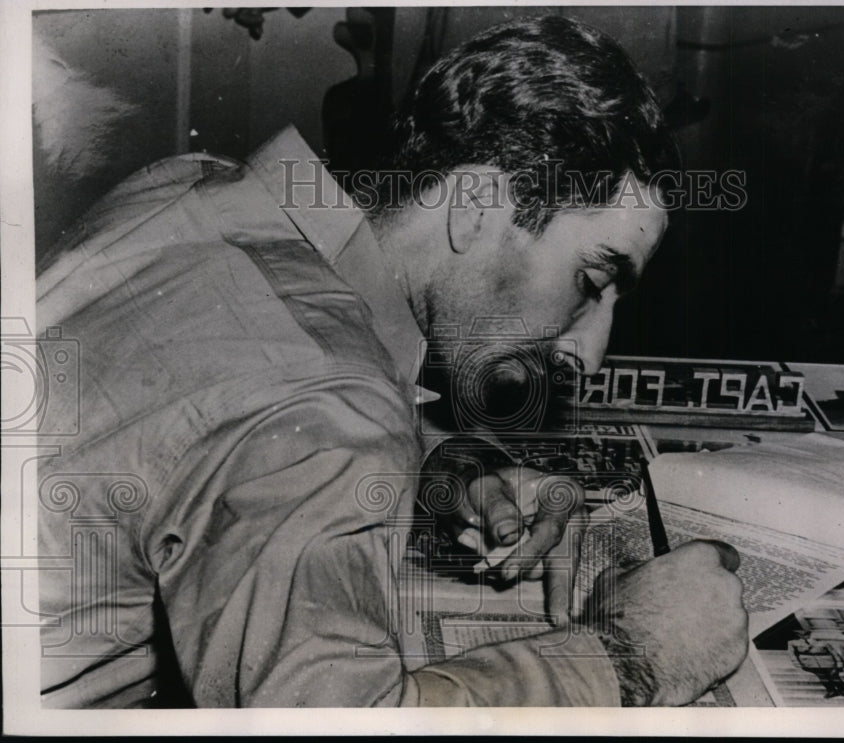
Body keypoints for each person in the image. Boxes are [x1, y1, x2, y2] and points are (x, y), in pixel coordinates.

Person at [35, 16, 748, 708]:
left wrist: (445, 465)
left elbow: (220, 422)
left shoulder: (205, 187)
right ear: (476, 204)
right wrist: (632, 654)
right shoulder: (327, 399)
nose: (588, 350)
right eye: (592, 280)